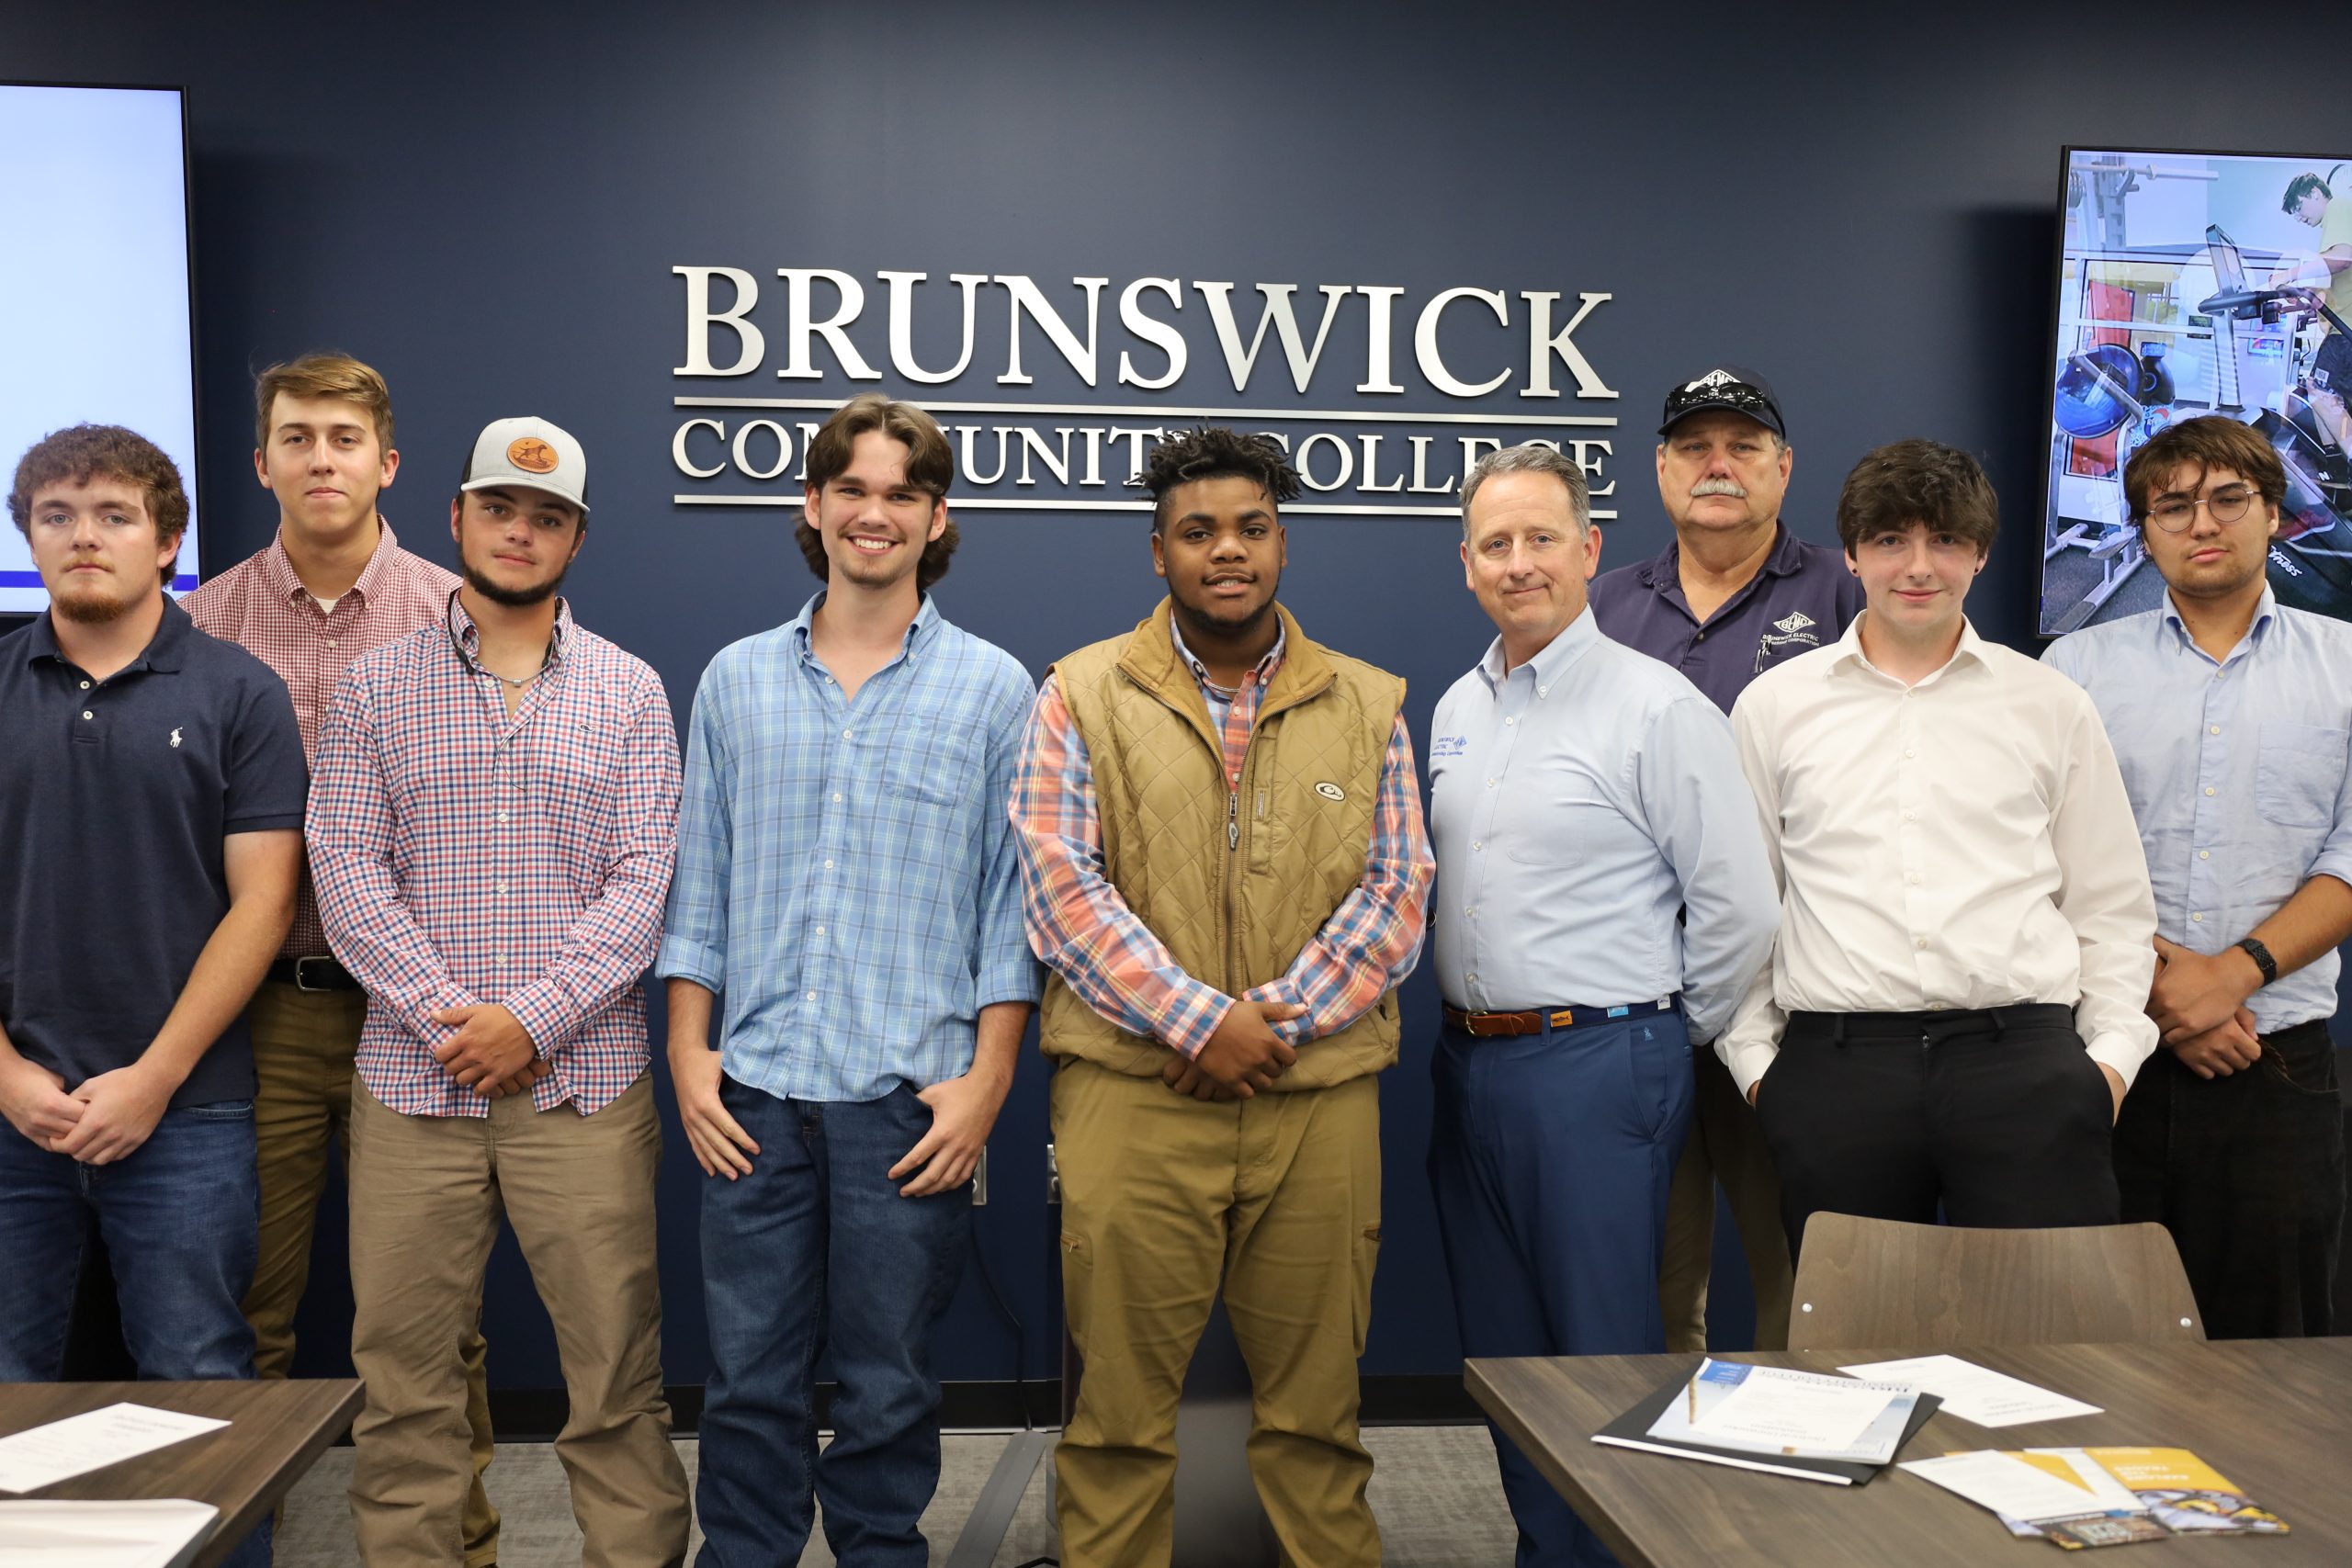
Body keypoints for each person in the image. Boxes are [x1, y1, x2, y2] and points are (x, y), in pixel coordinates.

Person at [1011, 426, 1432, 1568]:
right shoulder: (1080, 693)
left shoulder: (1367, 700)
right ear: (1160, 553)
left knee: (1316, 1421)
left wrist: (1268, 1026)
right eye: (1198, 532)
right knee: (1117, 1426)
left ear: (1282, 544)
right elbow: (1060, 887)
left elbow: (1397, 891)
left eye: (1250, 528)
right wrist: (1202, 1023)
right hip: (1133, 1096)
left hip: (1316, 1098)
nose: (1226, 551)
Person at [658, 394, 1039, 1566]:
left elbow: (1007, 910)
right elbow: (700, 883)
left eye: (901, 494)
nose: (874, 514)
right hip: (754, 1097)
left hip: (907, 1103)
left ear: (937, 520)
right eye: (853, 490)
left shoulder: (993, 688)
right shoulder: (734, 680)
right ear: (813, 508)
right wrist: (687, 1052)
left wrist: (985, 1087)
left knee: (887, 1388)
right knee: (749, 1385)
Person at [308, 417, 689, 1566]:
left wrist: (530, 1017)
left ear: (576, 539)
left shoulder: (630, 691)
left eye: (547, 517)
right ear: (457, 518)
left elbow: (645, 880)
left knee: (615, 1379)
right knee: (407, 1390)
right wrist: (451, 1020)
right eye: (500, 509)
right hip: (412, 1093)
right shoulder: (375, 689)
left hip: (583, 1093)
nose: (520, 531)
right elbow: (345, 867)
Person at [1429, 443, 1779, 1567]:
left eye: (1541, 539)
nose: (1518, 563)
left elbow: (1737, 908)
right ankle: (1549, 1552)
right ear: (1467, 563)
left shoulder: (1654, 706)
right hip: (1469, 1065)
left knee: (1603, 1359)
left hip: (1598, 1065)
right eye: (1496, 543)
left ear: (1587, 552)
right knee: (1508, 1357)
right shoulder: (1454, 708)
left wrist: (1660, 1040)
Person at [185, 353, 501, 1565]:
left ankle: (456, 1549)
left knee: (432, 1321)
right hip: (257, 1015)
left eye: (345, 438)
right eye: (298, 437)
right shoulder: (200, 623)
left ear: (389, 464)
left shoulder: (455, 614)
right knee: (243, 1308)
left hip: (415, 1014)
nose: (323, 458)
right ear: (261, 462)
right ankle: (234, 1547)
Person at [1723, 439, 2158, 1258]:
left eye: (1946, 541)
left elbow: (2110, 905)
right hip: (1836, 1073)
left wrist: (2106, 1065)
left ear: (1981, 554)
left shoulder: (2050, 704)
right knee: (1854, 1363)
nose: (1918, 567)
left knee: (2051, 1352)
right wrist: (1759, 1068)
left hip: (2026, 1066)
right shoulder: (1773, 707)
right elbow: (1748, 906)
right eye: (1891, 540)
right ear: (1852, 553)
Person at [0, 424, 305, 1568]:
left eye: (116, 514)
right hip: (9, 1110)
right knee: (9, 1403)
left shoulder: (239, 691)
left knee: (202, 1397)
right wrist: (10, 1078)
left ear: (167, 541)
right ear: (29, 536)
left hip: (190, 1112)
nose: (86, 536)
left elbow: (263, 908)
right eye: (60, 514)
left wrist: (154, 1078)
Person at [2043, 415, 2352, 1337]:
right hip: (2102, 1051)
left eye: (2227, 499)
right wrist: (2166, 987)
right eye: (2171, 506)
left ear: (2273, 514)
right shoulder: (2076, 670)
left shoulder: (2344, 667)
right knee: (2093, 1349)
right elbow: (2038, 857)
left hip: (2277, 1061)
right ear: (2143, 530)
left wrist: (2235, 973)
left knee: (2272, 1355)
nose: (2200, 523)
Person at [1589, 366, 1862, 1355]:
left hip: (1792, 1000)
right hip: (1637, 996)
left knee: (1801, 1265)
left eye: (1742, 447)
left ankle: (1806, 1488)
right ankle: (1667, 1491)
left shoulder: (1849, 589)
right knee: (1658, 1272)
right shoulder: (1601, 605)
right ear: (1660, 470)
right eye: (1694, 448)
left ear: (1782, 469)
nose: (1718, 466)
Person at [2276, 170, 2352, 457]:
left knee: (2320, 391)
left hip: (2346, 329)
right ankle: (2334, 461)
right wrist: (2294, 302)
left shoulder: (2339, 205)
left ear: (2316, 194)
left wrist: (2291, 273)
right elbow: (2332, 287)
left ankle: (2343, 459)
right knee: (2325, 394)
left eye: (2298, 208)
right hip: (2341, 324)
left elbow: (2343, 259)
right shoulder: (2337, 221)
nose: (2298, 217)